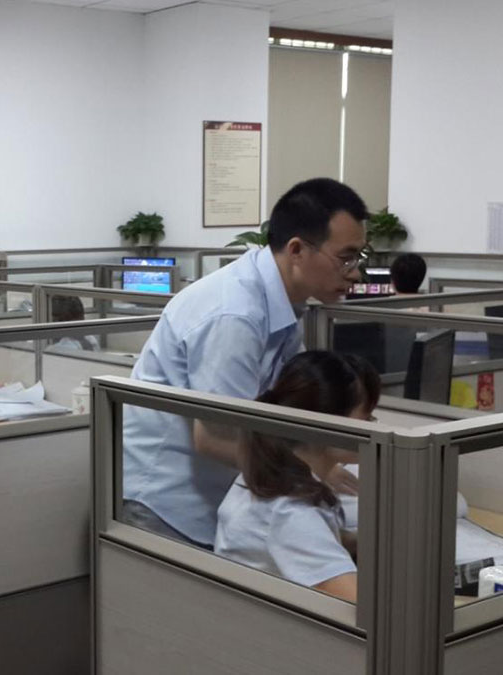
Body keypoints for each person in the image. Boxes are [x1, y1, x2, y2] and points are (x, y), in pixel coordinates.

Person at [123, 177, 368, 549]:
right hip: (166, 503)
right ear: (297, 250)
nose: (354, 273)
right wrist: (312, 469)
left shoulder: (282, 302)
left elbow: (283, 409)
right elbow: (216, 438)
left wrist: (324, 463)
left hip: (213, 493)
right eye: (345, 257)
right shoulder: (235, 315)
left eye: (358, 258)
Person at [214, 351, 380, 602]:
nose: (374, 427)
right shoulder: (291, 512)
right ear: (327, 423)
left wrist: (357, 541)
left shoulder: (269, 473)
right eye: (367, 418)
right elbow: (362, 608)